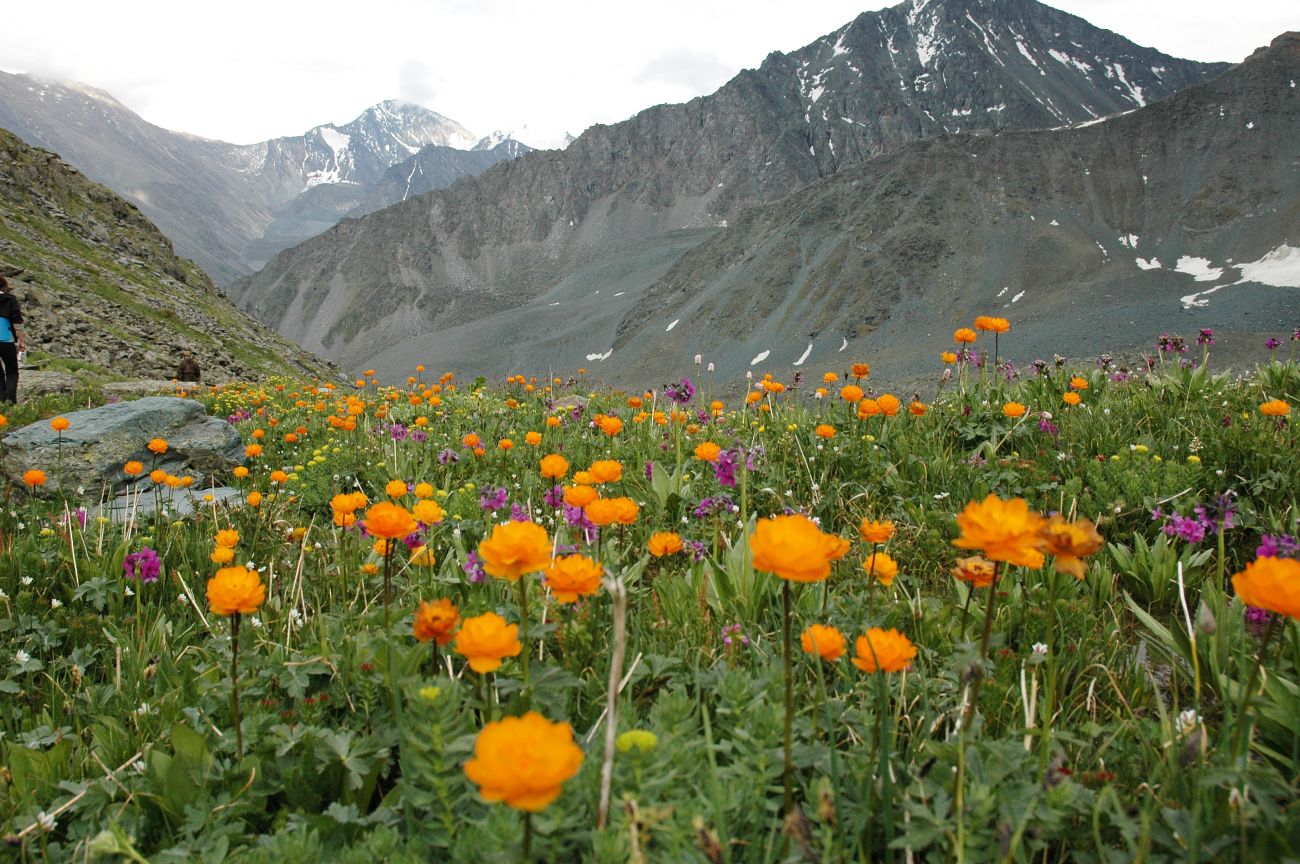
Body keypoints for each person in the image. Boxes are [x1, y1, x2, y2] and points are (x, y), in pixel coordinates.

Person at [0, 275, 25, 404]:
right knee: (12, 371)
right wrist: (22, 341)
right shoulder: (10, 299)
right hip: (6, 339)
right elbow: (17, 323)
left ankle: (0, 402)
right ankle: (9, 402)